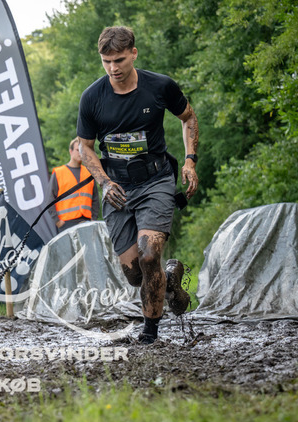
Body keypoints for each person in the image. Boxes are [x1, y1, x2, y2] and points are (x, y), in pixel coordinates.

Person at [76, 26, 199, 344]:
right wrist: (104, 182)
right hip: (117, 188)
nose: (113, 68)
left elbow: (188, 117)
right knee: (134, 273)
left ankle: (150, 334)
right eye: (106, 61)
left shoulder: (159, 86)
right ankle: (169, 279)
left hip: (156, 181)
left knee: (148, 256)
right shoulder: (92, 97)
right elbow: (85, 147)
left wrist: (189, 161)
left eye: (118, 60)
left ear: (133, 53)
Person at [48, 138, 100, 232]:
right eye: (77, 150)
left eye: (82, 150)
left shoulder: (89, 173)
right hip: (66, 223)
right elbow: (50, 199)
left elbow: (95, 198)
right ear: (70, 151)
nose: (80, 153)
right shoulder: (59, 173)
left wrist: (93, 219)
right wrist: (58, 221)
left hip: (87, 221)